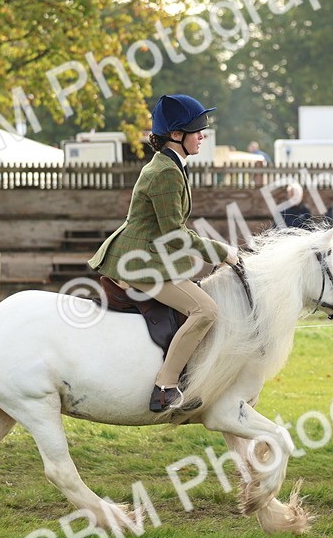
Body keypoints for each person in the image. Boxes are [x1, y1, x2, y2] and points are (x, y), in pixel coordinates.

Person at [89, 94, 238, 412]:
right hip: (139, 265)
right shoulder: (166, 173)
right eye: (197, 129)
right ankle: (165, 386)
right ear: (175, 135)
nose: (202, 135)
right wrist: (220, 252)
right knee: (206, 311)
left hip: (150, 259)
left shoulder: (172, 166)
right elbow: (174, 232)